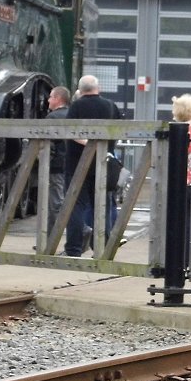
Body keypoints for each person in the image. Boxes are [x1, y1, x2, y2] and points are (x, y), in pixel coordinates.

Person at [63, 75, 123, 258]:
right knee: (101, 206)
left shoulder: (76, 106)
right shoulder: (110, 106)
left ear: (80, 90)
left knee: (76, 206)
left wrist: (88, 143)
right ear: (99, 88)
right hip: (103, 163)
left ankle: (73, 249)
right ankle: (102, 249)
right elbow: (120, 130)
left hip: (77, 164)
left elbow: (69, 131)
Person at [42, 85, 71, 246]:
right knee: (62, 200)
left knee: (55, 203)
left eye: (51, 97)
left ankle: (82, 230)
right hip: (71, 164)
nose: (48, 100)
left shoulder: (52, 118)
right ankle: (49, 238)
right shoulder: (72, 115)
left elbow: (49, 145)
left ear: (58, 99)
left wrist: (46, 161)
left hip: (56, 166)